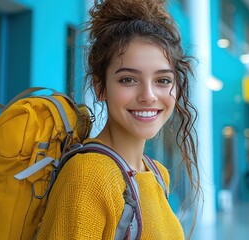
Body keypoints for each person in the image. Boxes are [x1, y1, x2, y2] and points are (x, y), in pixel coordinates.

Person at [37, 0, 200, 239]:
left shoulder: (156, 173)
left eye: (163, 80)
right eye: (128, 79)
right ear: (100, 87)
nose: (148, 96)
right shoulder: (88, 175)